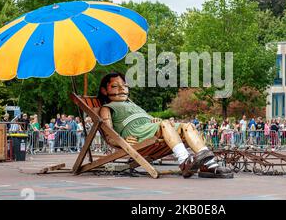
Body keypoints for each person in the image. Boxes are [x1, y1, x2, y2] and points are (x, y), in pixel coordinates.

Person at [97, 72, 232, 178]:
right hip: (136, 134)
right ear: (104, 91)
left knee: (187, 126)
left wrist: (153, 120)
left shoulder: (132, 104)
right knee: (166, 123)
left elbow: (147, 119)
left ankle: (209, 164)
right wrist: (121, 142)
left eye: (125, 85)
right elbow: (108, 134)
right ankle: (184, 160)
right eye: (115, 86)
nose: (122, 89)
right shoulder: (107, 107)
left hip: (149, 128)